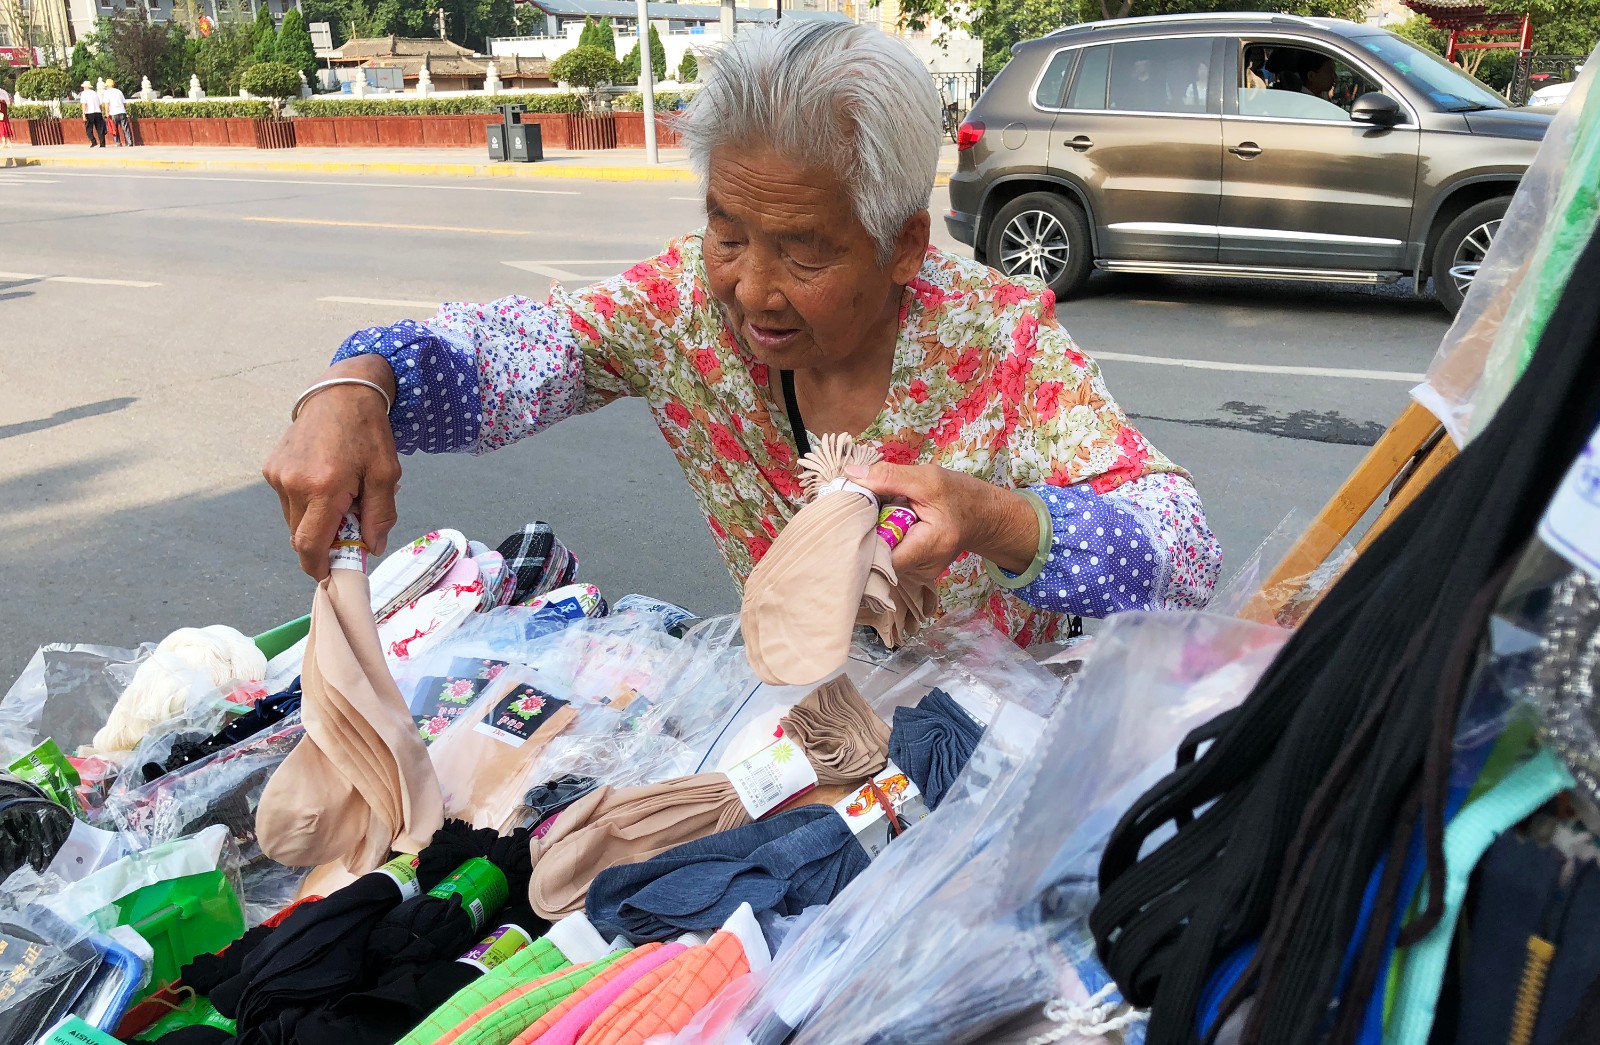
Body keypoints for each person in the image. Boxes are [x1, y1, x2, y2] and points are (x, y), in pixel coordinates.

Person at [263, 22, 1221, 648]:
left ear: (902, 247)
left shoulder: (1000, 349)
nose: (751, 290)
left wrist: (992, 515)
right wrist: (362, 382)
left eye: (805, 251)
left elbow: (1184, 555)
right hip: (790, 733)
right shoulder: (684, 308)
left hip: (982, 764)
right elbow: (526, 350)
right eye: (729, 231)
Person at [102, 78, 132, 147]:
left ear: (107, 86)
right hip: (122, 112)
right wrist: (124, 110)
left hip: (113, 113)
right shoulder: (119, 91)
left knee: (114, 128)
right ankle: (129, 142)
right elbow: (124, 103)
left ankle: (118, 142)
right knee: (125, 128)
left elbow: (106, 104)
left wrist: (107, 113)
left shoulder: (107, 93)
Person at [80, 81, 106, 148]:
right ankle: (102, 143)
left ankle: (93, 142)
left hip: (89, 112)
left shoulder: (84, 93)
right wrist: (101, 111)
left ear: (85, 87)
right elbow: (100, 104)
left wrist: (83, 114)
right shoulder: (95, 93)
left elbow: (84, 104)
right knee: (100, 129)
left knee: (89, 129)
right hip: (98, 112)